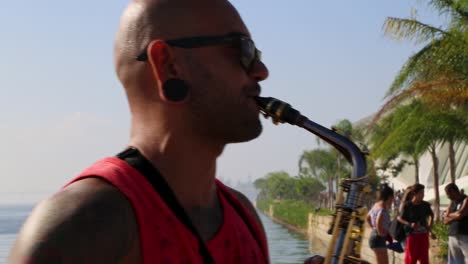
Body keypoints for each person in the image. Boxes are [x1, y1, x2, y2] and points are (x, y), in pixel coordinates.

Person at [8, 0, 272, 263]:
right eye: (242, 50)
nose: (261, 72)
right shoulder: (82, 224)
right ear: (168, 65)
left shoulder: (243, 215)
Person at [397, 184, 435, 264]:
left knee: (424, 259)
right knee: (411, 259)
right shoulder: (407, 205)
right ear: (414, 193)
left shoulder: (425, 205)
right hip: (412, 236)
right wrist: (410, 224)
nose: (423, 195)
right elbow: (399, 218)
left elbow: (431, 215)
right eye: (421, 193)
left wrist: (429, 228)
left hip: (424, 235)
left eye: (423, 192)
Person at [366, 183, 394, 264]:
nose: (392, 201)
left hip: (375, 237)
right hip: (379, 238)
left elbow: (367, 218)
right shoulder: (382, 208)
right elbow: (378, 220)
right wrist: (380, 232)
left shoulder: (376, 205)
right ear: (389, 197)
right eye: (392, 198)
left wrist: (373, 228)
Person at [443, 183, 468, 264]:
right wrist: (455, 215)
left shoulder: (465, 199)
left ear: (453, 191)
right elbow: (445, 220)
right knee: (455, 261)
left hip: (465, 235)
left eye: (448, 194)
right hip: (452, 236)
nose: (448, 197)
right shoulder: (452, 202)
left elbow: (461, 214)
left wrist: (450, 215)